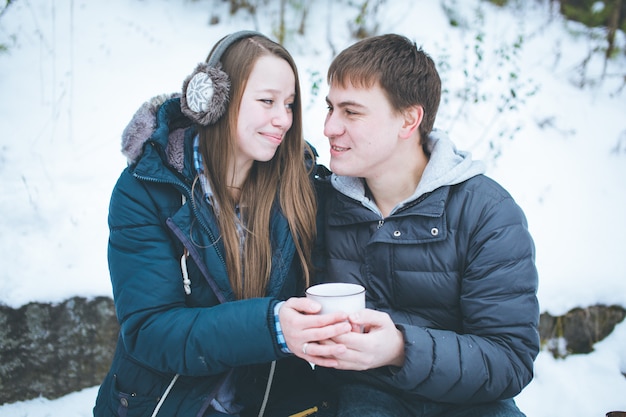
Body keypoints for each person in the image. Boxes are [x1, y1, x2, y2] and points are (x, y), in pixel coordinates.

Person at [279, 34, 540, 416]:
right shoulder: (320, 204)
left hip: (470, 404)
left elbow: (510, 360)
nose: (330, 127)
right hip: (359, 395)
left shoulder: (487, 213)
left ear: (409, 119)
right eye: (330, 108)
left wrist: (401, 349)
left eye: (351, 112)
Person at [93, 31, 344, 417]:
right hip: (170, 402)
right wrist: (272, 326)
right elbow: (150, 330)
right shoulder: (146, 190)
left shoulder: (300, 185)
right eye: (267, 101)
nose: (283, 120)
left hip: (268, 400)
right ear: (213, 100)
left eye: (290, 104)